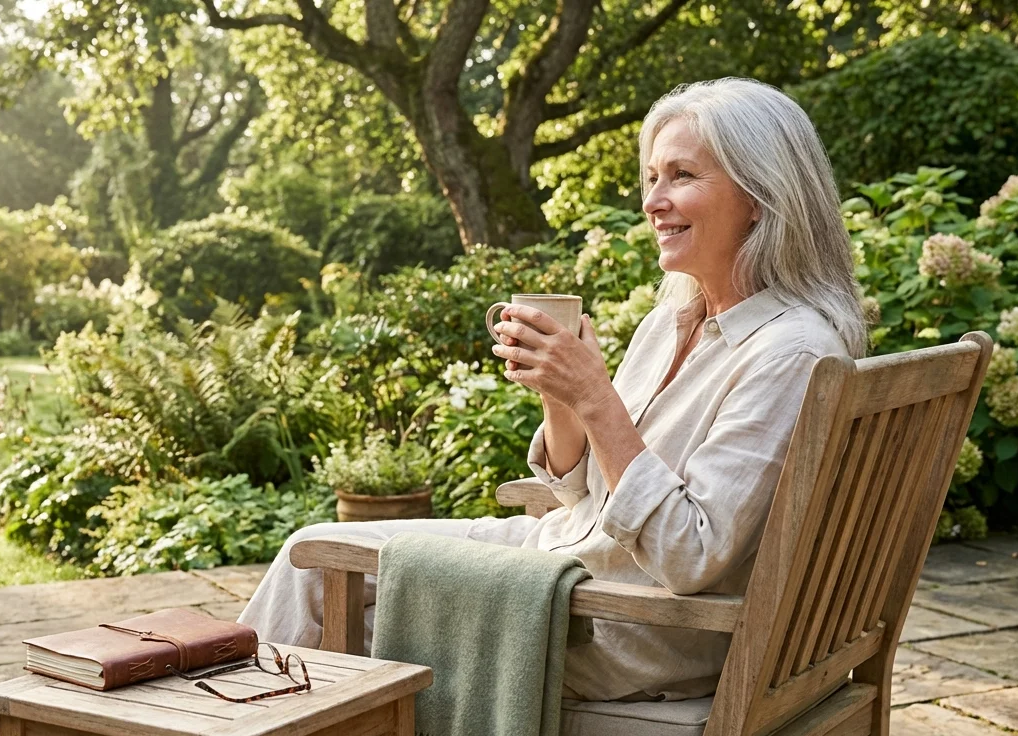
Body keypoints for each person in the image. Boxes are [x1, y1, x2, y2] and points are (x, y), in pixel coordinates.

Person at [239, 76, 869, 703]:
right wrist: (562, 397)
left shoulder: (791, 352)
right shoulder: (675, 318)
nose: (654, 201)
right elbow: (580, 489)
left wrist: (595, 396)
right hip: (568, 557)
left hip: (618, 624)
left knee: (339, 629)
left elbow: (690, 554)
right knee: (309, 558)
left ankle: (238, 735)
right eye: (652, 177)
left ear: (759, 195)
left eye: (682, 176)